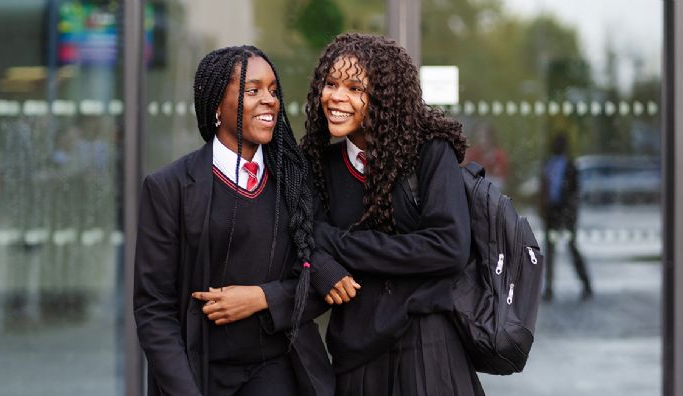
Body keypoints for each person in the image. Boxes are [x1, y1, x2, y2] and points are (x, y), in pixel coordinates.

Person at [133, 45, 334, 396]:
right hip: (199, 377)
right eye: (252, 90)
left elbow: (319, 278)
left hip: (278, 372)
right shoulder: (169, 187)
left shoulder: (295, 181)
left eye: (273, 90)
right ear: (216, 105)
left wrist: (262, 297)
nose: (269, 100)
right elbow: (154, 309)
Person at [302, 33, 484, 396]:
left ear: (384, 97)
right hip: (356, 357)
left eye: (355, 88)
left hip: (427, 348)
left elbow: (448, 247)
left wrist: (338, 243)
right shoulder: (318, 166)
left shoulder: (430, 153)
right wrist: (324, 261)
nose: (336, 97)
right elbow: (304, 241)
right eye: (331, 83)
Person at [540, 133, 593, 301]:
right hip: (552, 211)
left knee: (571, 248)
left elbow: (574, 192)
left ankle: (586, 284)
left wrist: (569, 212)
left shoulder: (570, 166)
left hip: (565, 212)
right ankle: (549, 287)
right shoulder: (548, 164)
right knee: (550, 251)